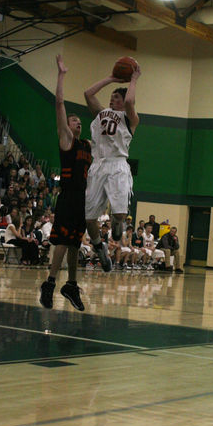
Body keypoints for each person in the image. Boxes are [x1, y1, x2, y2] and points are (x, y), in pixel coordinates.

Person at [40, 55, 91, 312]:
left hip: (83, 199)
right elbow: (59, 103)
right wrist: (61, 74)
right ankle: (49, 282)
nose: (78, 122)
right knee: (62, 241)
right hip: (69, 196)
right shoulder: (67, 140)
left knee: (75, 243)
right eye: (74, 121)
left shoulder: (88, 145)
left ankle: (71, 284)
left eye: (80, 121)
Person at [83, 63, 141, 271]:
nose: (113, 99)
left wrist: (133, 79)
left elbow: (131, 100)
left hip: (117, 164)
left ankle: (119, 224)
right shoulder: (100, 113)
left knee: (118, 214)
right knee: (89, 219)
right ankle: (101, 250)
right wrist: (111, 78)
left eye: (117, 97)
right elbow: (88, 93)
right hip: (98, 165)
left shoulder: (130, 118)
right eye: (112, 96)